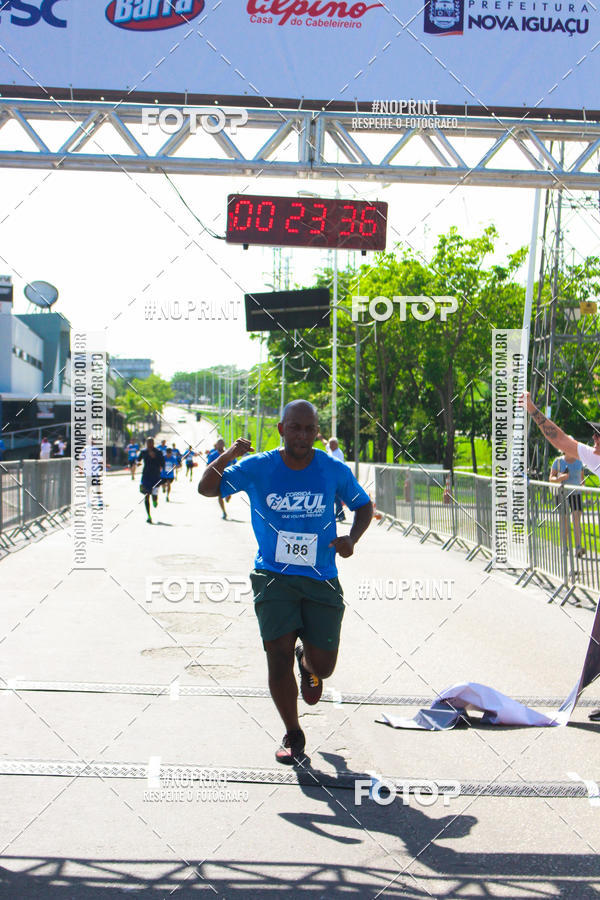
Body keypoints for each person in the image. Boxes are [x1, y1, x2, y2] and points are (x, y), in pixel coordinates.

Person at [198, 399, 373, 765]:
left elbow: (363, 505)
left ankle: (307, 665)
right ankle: (293, 732)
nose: (303, 436)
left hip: (321, 577)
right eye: (295, 427)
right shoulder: (259, 466)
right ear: (281, 429)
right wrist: (230, 453)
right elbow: (207, 488)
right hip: (273, 576)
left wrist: (351, 540)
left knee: (324, 666)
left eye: (310, 429)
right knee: (275, 657)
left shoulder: (331, 468)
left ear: (316, 432)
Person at [523, 393, 600, 720]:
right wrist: (534, 411)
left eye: (598, 434)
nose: (593, 438)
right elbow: (562, 441)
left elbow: (565, 441)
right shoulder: (596, 458)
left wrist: (532, 410)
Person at [549, 451, 585, 557]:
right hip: (562, 494)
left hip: (576, 494)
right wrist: (560, 478)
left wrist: (584, 488)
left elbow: (581, 479)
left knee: (576, 520)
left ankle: (578, 546)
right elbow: (551, 478)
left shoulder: (579, 462)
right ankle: (564, 546)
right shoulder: (558, 461)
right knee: (564, 521)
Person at [318, 434, 346, 521]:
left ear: (336, 444)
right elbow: (325, 443)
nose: (329, 446)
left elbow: (337, 467)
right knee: (334, 497)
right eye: (329, 444)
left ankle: (340, 514)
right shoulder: (330, 449)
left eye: (331, 444)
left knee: (336, 496)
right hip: (330, 478)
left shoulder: (338, 453)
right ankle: (339, 514)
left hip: (336, 478)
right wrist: (320, 437)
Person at [137, 437, 163, 523]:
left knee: (154, 496)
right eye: (147, 443)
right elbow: (138, 460)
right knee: (146, 495)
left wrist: (155, 457)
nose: (148, 445)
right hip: (146, 476)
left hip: (155, 477)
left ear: (153, 443)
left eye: (150, 443)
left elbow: (162, 463)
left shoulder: (158, 452)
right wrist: (138, 463)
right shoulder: (143, 452)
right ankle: (149, 516)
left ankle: (155, 500)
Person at [206, 439, 230, 519]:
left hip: (228, 477)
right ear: (217, 445)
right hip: (217, 478)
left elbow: (235, 462)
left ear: (223, 445)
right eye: (219, 444)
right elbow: (208, 465)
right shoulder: (212, 455)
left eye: (221, 444)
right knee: (220, 496)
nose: (220, 445)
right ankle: (224, 512)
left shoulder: (228, 454)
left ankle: (228, 494)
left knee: (228, 495)